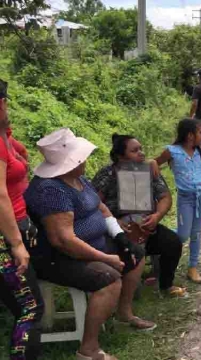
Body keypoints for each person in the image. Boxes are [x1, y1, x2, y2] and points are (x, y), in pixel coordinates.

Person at [25, 128, 155, 360]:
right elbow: (63, 241)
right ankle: (89, 349)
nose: (84, 159)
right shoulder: (50, 190)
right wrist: (105, 258)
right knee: (108, 280)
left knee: (136, 254)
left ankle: (124, 313)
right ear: (68, 162)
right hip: (58, 257)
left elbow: (101, 208)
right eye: (79, 157)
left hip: (90, 244)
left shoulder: (78, 178)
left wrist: (120, 238)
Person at [92, 134, 187, 296]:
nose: (141, 153)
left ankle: (166, 285)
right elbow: (94, 204)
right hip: (117, 232)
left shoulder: (148, 170)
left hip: (146, 227)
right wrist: (114, 222)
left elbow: (165, 197)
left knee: (173, 243)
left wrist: (156, 216)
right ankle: (123, 285)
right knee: (132, 291)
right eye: (134, 151)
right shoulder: (107, 175)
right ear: (120, 156)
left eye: (141, 149)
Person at [0, 79, 44, 360]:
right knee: (30, 308)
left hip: (14, 228)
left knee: (20, 307)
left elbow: (20, 153)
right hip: (5, 237)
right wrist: (17, 244)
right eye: (3, 101)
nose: (6, 105)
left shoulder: (4, 137)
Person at [153, 119, 201, 283]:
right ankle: (164, 244)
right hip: (186, 198)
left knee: (196, 232)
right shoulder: (172, 152)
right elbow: (155, 163)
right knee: (183, 234)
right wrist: (153, 164)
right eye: (200, 133)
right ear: (190, 135)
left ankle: (192, 267)